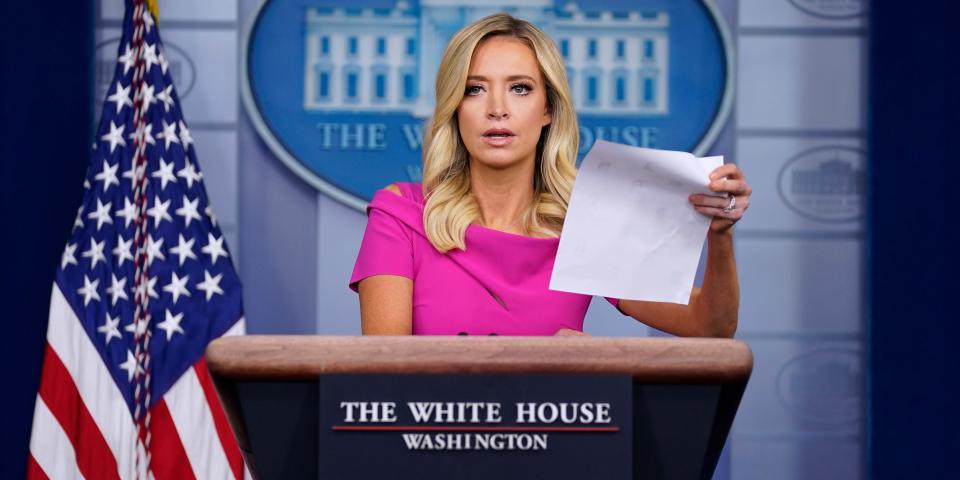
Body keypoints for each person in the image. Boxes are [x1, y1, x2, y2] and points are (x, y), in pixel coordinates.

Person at [349, 13, 751, 337]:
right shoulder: (403, 214)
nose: (497, 108)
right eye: (474, 89)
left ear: (548, 111)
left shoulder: (585, 223)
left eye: (520, 88)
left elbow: (709, 327)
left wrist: (720, 238)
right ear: (455, 109)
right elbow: (384, 373)